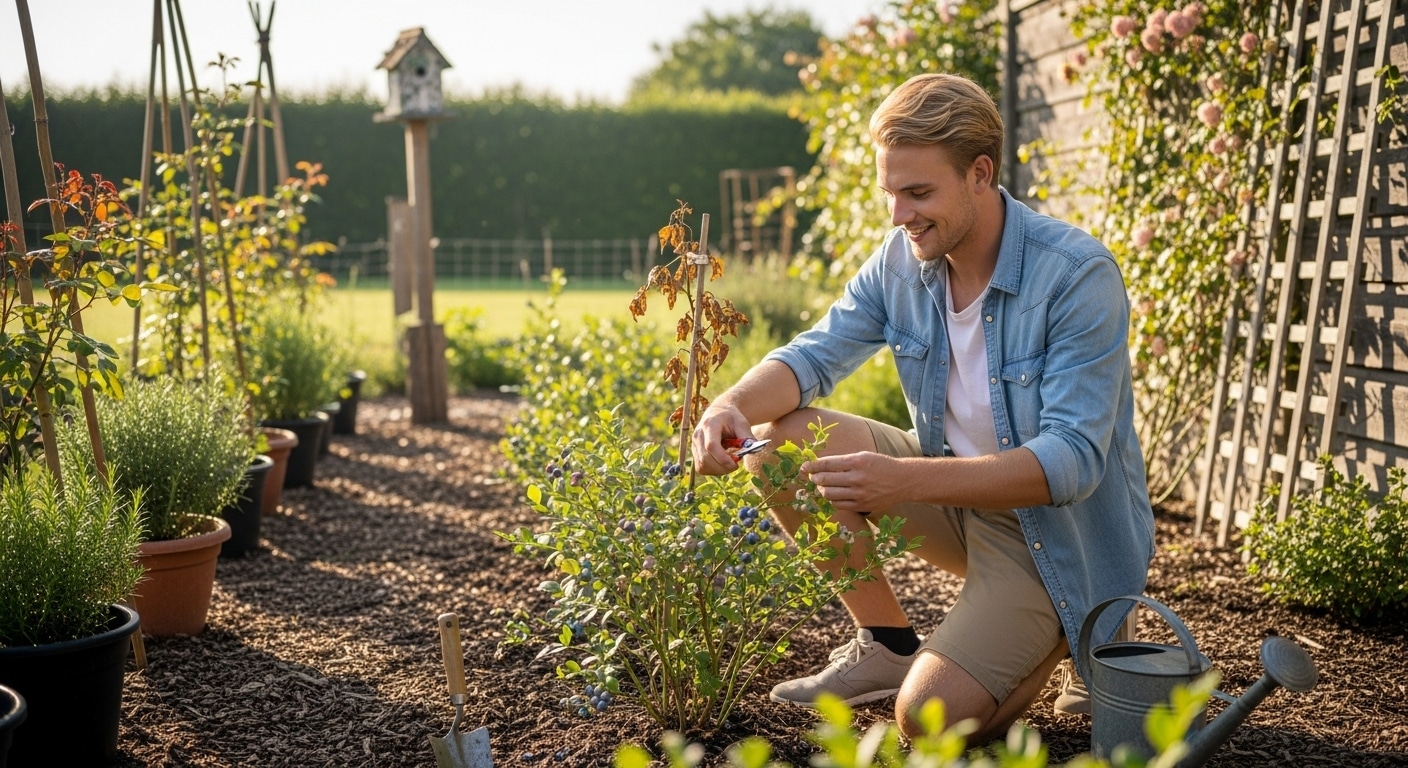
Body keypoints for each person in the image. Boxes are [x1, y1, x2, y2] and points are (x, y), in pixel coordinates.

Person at [690, 72, 1155, 743]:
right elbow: (815, 357)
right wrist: (726, 405)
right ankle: (885, 642)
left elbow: (1072, 464)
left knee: (925, 720)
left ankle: (1076, 620)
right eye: (892, 194)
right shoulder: (904, 261)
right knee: (783, 437)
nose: (899, 215)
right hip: (957, 495)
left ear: (980, 173)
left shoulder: (1076, 276)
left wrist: (902, 480)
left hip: (1055, 534)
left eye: (918, 193)